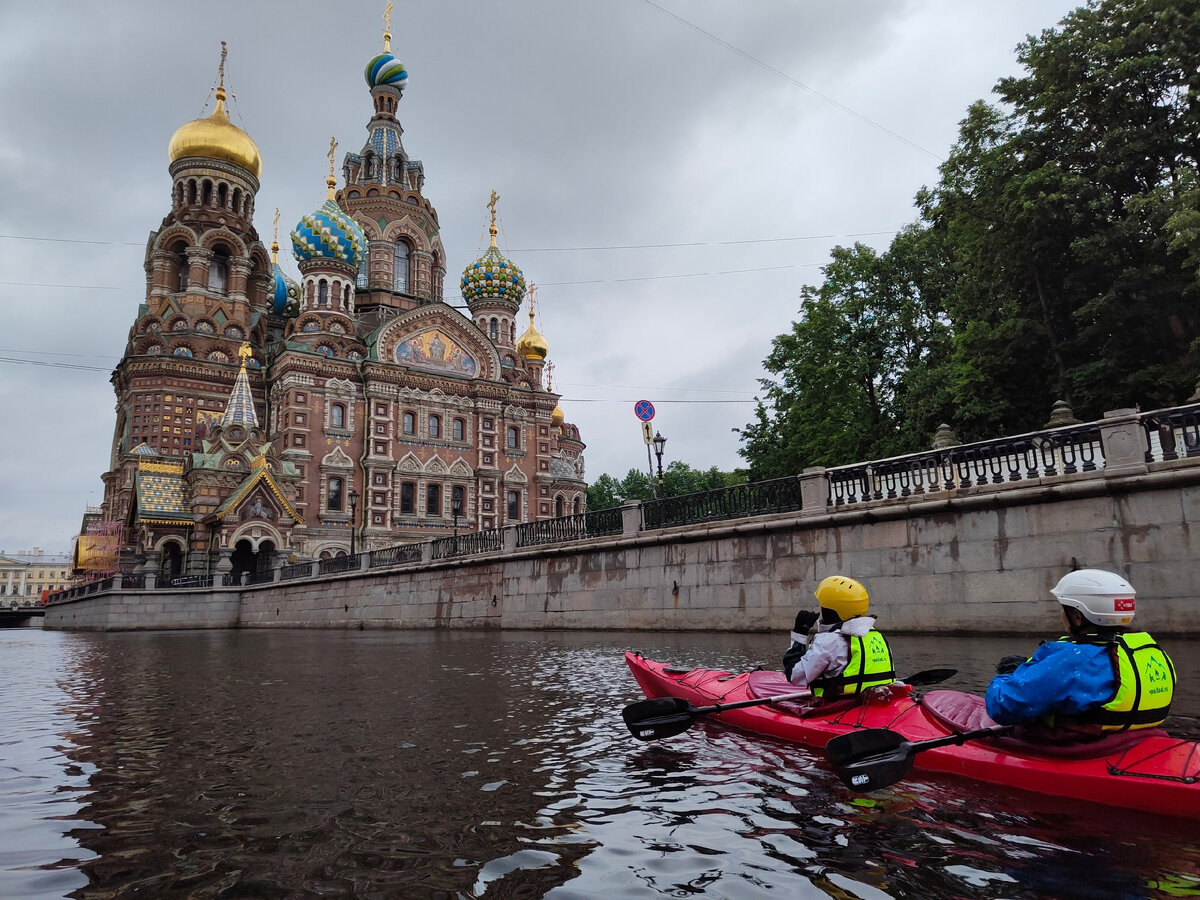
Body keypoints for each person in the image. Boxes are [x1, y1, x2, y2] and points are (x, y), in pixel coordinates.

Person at [985, 569, 1176, 737]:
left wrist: (1006, 677)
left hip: (1081, 750)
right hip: (1138, 739)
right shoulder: (1151, 651)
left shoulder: (1073, 660)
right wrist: (1027, 666)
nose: (1061, 615)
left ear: (1077, 616)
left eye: (1064, 609)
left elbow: (1003, 706)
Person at [782, 575, 895, 698]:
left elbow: (794, 676)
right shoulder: (875, 635)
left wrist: (800, 633)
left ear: (830, 610)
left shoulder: (829, 642)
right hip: (874, 700)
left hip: (840, 707)